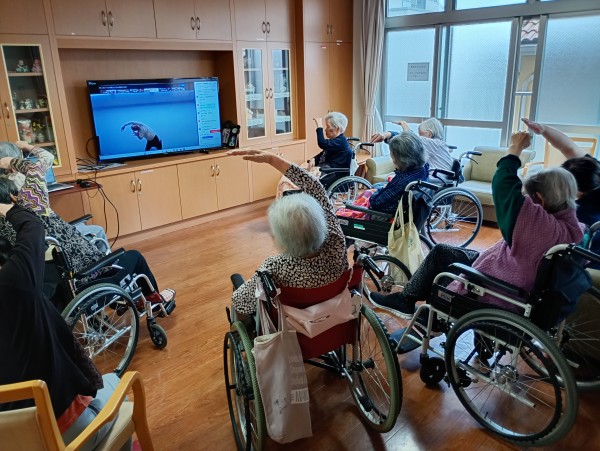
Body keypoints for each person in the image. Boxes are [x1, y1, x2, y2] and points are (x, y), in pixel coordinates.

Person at [369, 132, 584, 349]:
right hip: (520, 283)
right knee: (443, 252)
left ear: (541, 199)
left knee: (445, 274)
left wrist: (515, 149)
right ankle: (409, 302)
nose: (527, 199)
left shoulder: (538, 222)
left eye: (529, 196)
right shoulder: (575, 228)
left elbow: (504, 183)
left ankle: (422, 313)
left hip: (502, 289)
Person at [0, 179, 131, 450]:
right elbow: (32, 227)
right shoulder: (15, 284)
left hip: (11, 441)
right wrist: (9, 208)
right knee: (118, 384)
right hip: (63, 435)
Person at [0, 141, 174, 309]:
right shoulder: (30, 202)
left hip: (50, 283)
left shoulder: (5, 218)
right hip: (84, 275)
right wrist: (19, 154)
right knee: (134, 256)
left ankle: (119, 298)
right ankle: (155, 303)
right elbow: (40, 164)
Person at [228, 149, 349, 327]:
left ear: (282, 240)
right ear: (321, 222)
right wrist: (273, 160)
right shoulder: (336, 242)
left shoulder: (275, 267)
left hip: (293, 332)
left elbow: (241, 302)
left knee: (240, 302)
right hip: (332, 320)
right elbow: (316, 189)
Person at [522, 118, 600, 268]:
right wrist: (543, 129)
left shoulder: (580, 216)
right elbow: (568, 147)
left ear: (577, 190)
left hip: (588, 264)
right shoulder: (591, 170)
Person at [364, 131, 429, 215]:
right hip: (406, 206)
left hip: (387, 217)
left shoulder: (402, 181)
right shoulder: (424, 167)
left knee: (371, 191)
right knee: (376, 185)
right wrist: (386, 135)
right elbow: (406, 142)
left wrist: (380, 190)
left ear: (399, 158)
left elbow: (375, 203)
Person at [371, 118, 454, 174]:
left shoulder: (432, 143)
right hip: (442, 176)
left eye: (421, 135)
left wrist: (388, 134)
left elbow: (409, 138)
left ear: (429, 134)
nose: (419, 137)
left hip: (437, 177)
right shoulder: (440, 144)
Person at [312, 112, 353, 188]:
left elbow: (322, 143)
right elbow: (324, 153)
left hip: (334, 174)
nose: (325, 129)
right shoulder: (336, 141)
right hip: (328, 170)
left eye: (328, 127)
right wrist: (314, 159)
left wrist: (319, 126)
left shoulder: (341, 141)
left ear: (338, 129)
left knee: (309, 178)